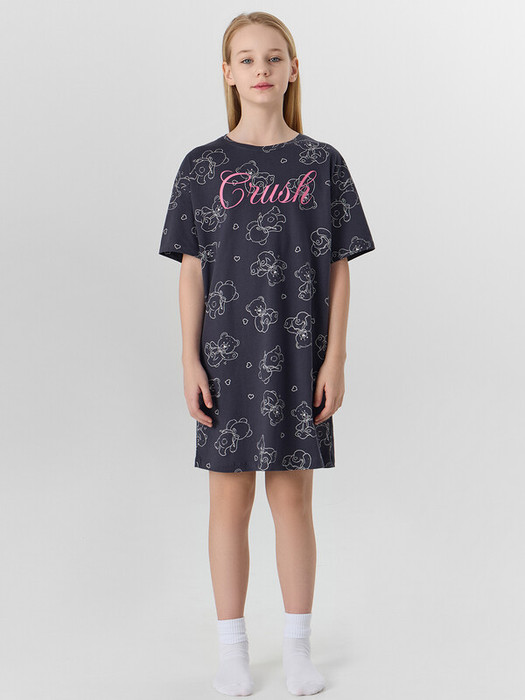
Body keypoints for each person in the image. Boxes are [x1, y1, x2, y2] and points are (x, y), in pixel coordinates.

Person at [158, 11, 375, 696]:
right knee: (228, 501)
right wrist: (189, 361)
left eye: (273, 57)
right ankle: (232, 651)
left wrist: (335, 360)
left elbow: (339, 266)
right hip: (225, 359)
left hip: (300, 355)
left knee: (292, 498)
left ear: (292, 69)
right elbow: (192, 270)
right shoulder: (202, 166)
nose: (261, 69)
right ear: (227, 73)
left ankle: (298, 647)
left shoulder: (321, 163)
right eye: (247, 59)